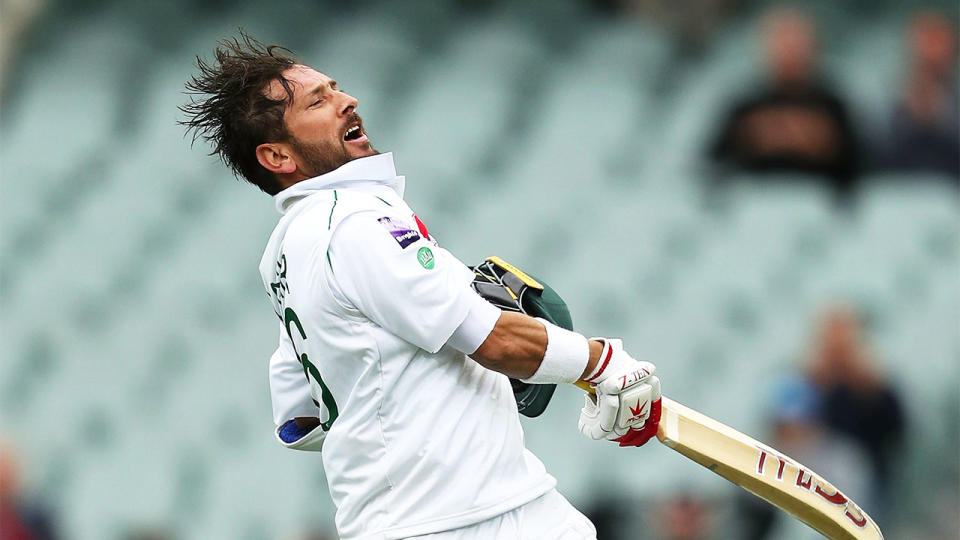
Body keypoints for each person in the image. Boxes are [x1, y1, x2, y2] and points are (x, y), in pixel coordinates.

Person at [181, 34, 662, 540]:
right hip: (454, 521)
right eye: (317, 101)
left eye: (335, 87)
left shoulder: (285, 249)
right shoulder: (354, 222)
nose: (348, 101)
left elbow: (299, 419)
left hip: (464, 508)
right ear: (278, 156)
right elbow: (494, 340)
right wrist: (601, 365)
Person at [709, 9, 860, 200]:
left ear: (814, 47)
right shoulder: (745, 106)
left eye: (797, 44)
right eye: (782, 43)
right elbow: (714, 163)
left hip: (818, 206)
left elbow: (859, 166)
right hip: (756, 206)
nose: (790, 52)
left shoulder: (834, 106)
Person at [873, 10, 959, 180]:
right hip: (897, 194)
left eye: (938, 41)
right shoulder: (887, 96)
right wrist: (905, 117)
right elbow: (871, 152)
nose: (930, 52)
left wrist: (943, 118)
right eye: (926, 41)